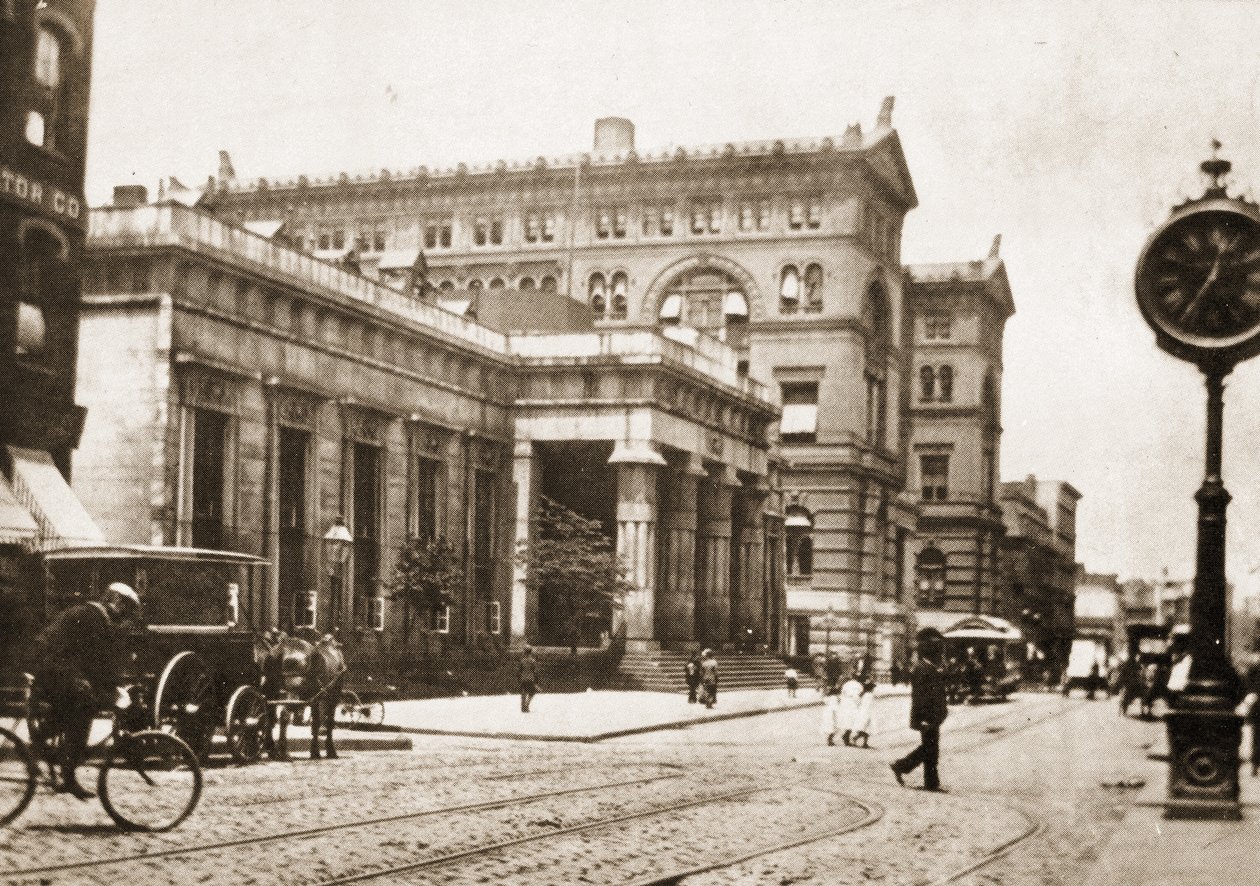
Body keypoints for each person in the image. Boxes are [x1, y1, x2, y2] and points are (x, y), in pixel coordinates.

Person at [31, 582, 142, 800]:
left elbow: (94, 663)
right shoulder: (93, 618)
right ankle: (64, 768)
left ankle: (50, 745)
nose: (125, 617)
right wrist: (110, 689)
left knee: (85, 701)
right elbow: (88, 661)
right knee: (84, 707)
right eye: (126, 609)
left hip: (53, 670)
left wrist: (111, 687)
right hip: (52, 671)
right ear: (116, 601)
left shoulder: (91, 614)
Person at [891, 627, 949, 792]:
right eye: (939, 652)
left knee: (930, 748)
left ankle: (908, 770)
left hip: (933, 716)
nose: (941, 655)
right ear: (932, 653)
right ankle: (904, 768)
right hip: (927, 716)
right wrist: (923, 718)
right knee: (930, 749)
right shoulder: (922, 669)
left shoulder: (929, 667)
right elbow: (920, 697)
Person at [836, 671, 863, 746]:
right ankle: (846, 736)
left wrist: (841, 702)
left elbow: (842, 693)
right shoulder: (858, 685)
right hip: (852, 703)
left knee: (847, 720)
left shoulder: (846, 684)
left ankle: (846, 736)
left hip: (845, 702)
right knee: (853, 720)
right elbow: (857, 695)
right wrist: (859, 703)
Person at [851, 680, 877, 749]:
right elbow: (870, 705)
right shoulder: (870, 695)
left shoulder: (864, 695)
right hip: (867, 713)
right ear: (871, 689)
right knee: (865, 729)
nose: (873, 689)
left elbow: (859, 703)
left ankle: (860, 741)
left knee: (864, 729)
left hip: (862, 712)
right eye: (873, 688)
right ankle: (860, 741)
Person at [518, 646, 538, 713]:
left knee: (523, 692)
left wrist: (519, 678)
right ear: (530, 652)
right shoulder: (533, 661)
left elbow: (519, 671)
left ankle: (523, 706)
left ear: (525, 652)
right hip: (530, 678)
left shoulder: (522, 661)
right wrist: (536, 680)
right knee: (532, 692)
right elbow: (535, 671)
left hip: (523, 678)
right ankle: (527, 705)